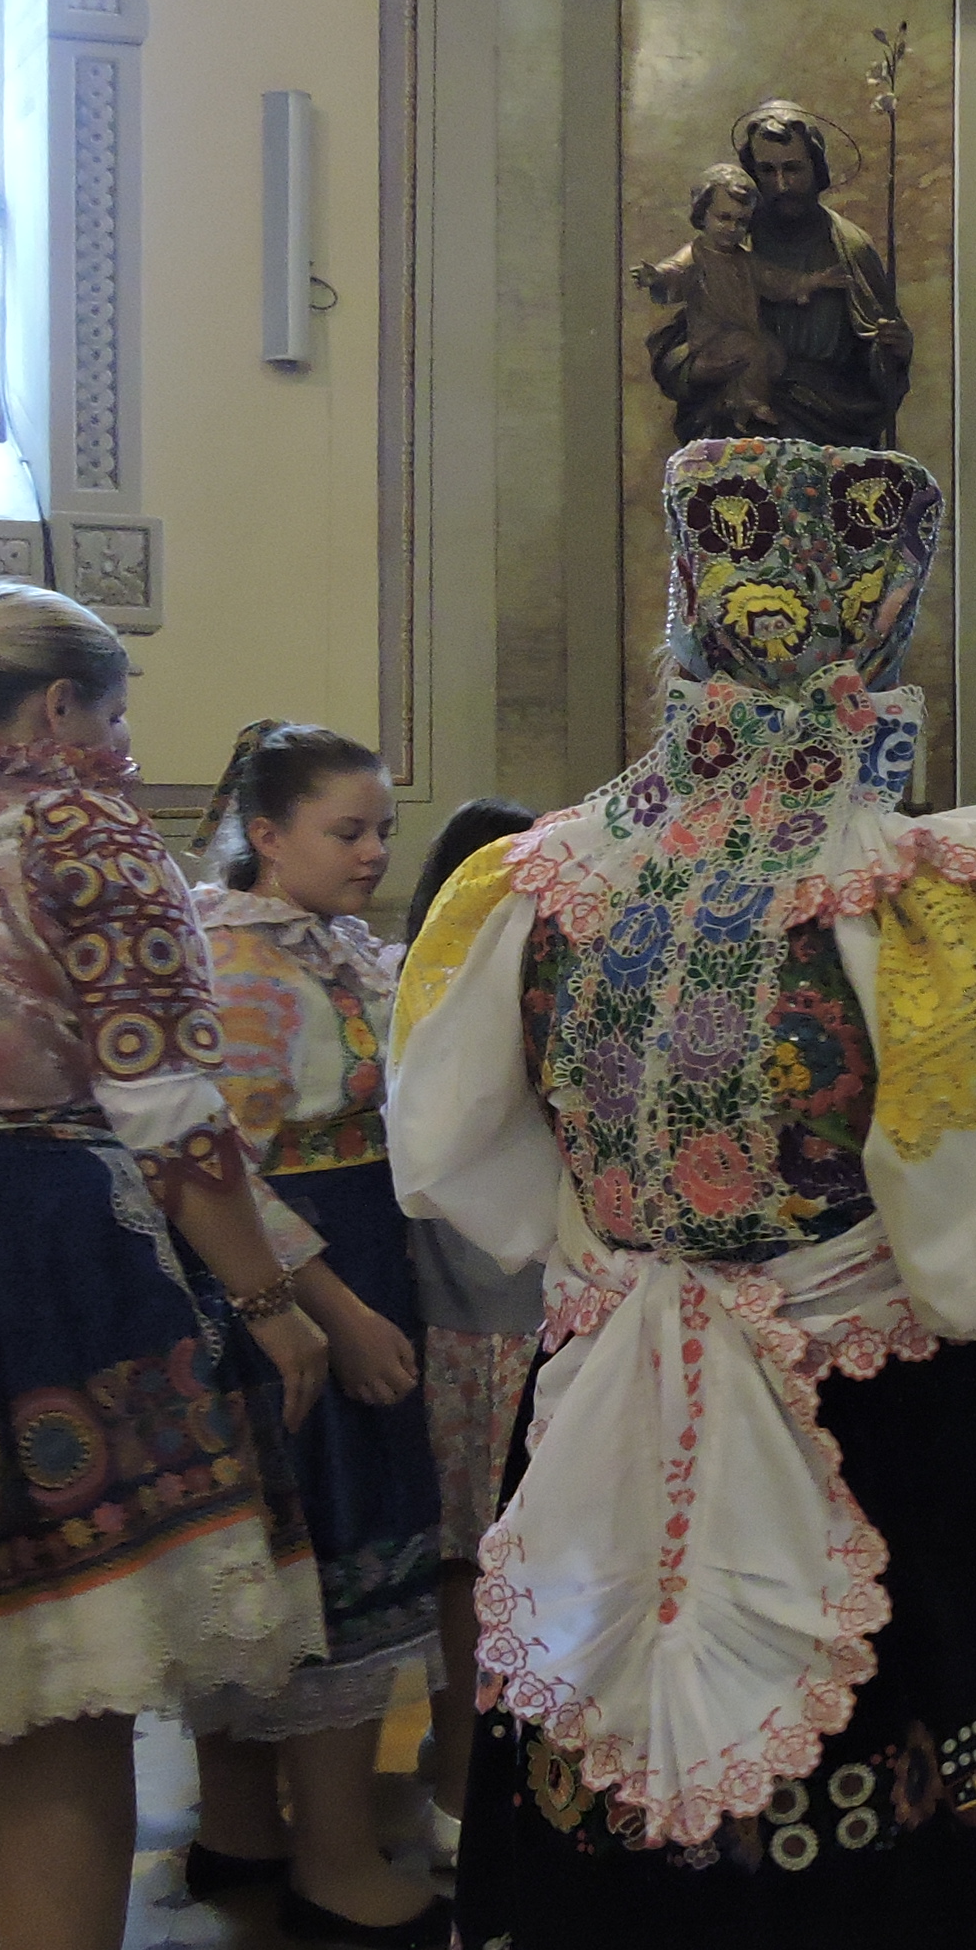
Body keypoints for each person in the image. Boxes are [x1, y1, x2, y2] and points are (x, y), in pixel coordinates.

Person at [394, 437, 976, 1950]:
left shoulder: (538, 890)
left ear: (681, 611)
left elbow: (466, 1165)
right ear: (886, 626)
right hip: (903, 1445)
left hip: (613, 1414)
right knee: (935, 1884)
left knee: (646, 1806)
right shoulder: (932, 906)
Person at [0, 583, 330, 1950]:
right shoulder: (85, 835)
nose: (117, 743)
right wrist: (271, 1305)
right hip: (27, 1258)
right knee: (63, 1693)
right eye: (114, 713)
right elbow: (171, 1111)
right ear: (61, 708)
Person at [175, 723, 451, 1948]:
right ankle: (333, 1859)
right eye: (347, 831)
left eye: (382, 828)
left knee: (280, 1551)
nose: (374, 851)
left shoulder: (331, 948)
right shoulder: (237, 961)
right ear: (266, 834)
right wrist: (336, 1313)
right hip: (301, 1274)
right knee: (328, 1547)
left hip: (348, 1247)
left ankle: (242, 1828)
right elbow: (225, 1168)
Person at [397, 796, 542, 1858]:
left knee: (476, 1563)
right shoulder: (478, 999)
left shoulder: (415, 988)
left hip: (464, 1319)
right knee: (486, 1566)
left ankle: (469, 1770)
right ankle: (466, 1784)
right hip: (495, 1320)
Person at [649, 100, 914, 448]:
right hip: (739, 428)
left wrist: (894, 351)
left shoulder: (850, 248)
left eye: (793, 169)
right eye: (767, 171)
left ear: (816, 169)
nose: (782, 184)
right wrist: (696, 368)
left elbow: (876, 367)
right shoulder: (732, 241)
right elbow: (680, 341)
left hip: (828, 425)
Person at [629, 162, 855, 434]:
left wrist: (813, 281)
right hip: (711, 338)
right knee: (751, 349)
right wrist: (656, 276)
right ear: (702, 214)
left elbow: (775, 279)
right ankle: (748, 403)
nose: (731, 228)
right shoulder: (696, 255)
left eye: (741, 222)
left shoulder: (745, 260)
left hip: (744, 333)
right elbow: (675, 271)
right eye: (724, 218)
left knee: (771, 353)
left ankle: (736, 397)